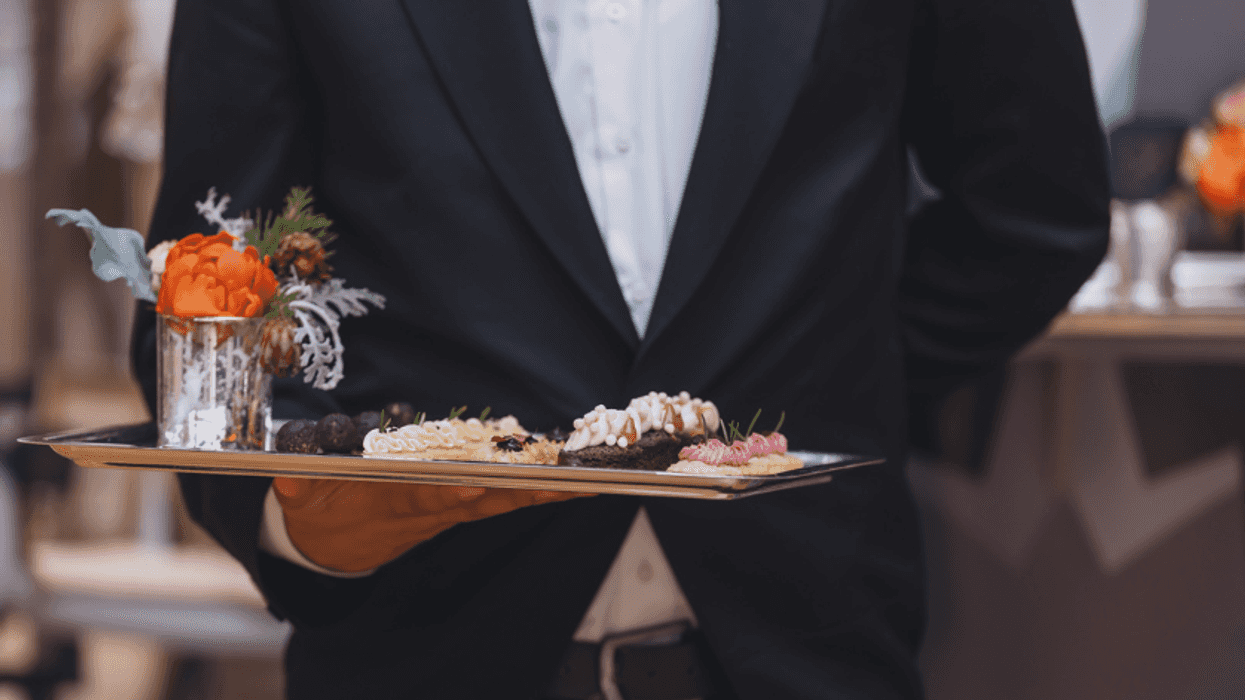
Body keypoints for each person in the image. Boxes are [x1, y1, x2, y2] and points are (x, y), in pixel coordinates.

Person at [133, 0, 1111, 698]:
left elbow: (1032, 209)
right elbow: (207, 296)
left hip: (799, 647)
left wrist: (827, 378)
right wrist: (298, 522)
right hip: (422, 651)